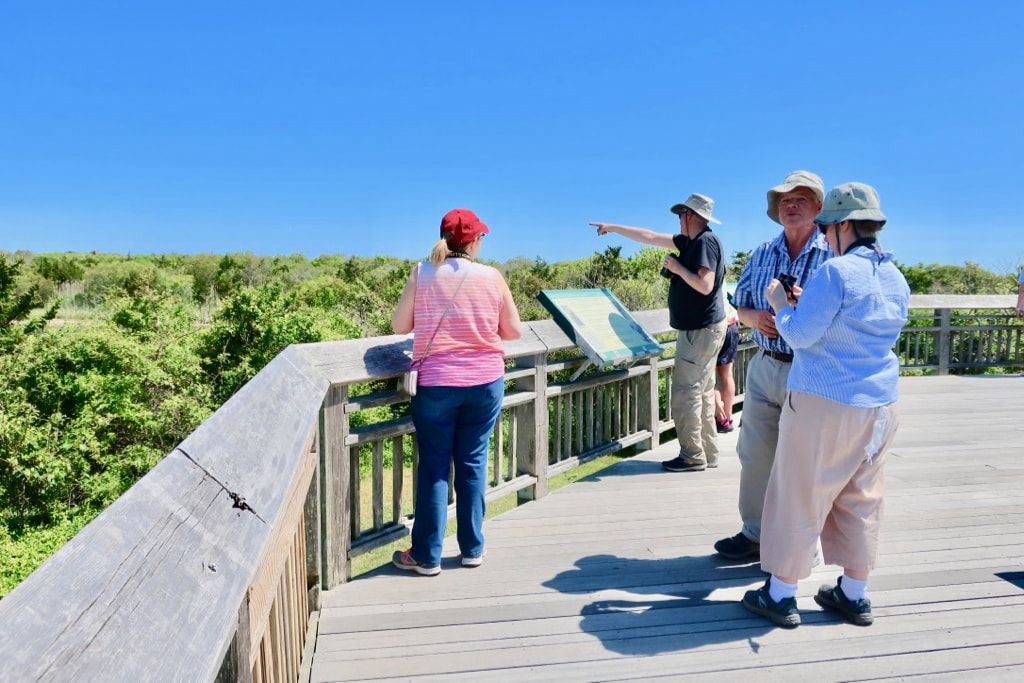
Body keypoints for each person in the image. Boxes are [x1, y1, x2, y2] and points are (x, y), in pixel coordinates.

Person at [741, 182, 910, 628]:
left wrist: (780, 304)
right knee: (862, 497)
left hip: (824, 400)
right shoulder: (895, 277)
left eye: (829, 226)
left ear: (846, 225)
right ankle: (854, 593)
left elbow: (798, 334)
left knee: (797, 493)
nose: (826, 234)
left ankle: (780, 594)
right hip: (879, 404)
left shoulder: (835, 272)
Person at [390, 208, 522, 576]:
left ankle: (427, 556)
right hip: (484, 383)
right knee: (472, 463)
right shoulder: (491, 276)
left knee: (434, 467)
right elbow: (512, 331)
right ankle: (472, 548)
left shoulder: (422, 272)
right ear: (475, 240)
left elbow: (400, 325)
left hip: (435, 383)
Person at [714, 171, 832, 560]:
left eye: (800, 199)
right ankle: (755, 533)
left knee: (804, 459)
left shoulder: (834, 254)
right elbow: (739, 301)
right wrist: (753, 318)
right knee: (756, 452)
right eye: (784, 201)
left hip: (811, 368)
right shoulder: (763, 252)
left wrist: (803, 307)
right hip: (765, 364)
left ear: (819, 207)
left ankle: (801, 542)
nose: (791, 206)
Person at [591, 193, 727, 472]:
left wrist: (677, 268)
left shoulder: (704, 242)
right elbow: (650, 237)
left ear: (690, 215)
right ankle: (708, 453)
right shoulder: (690, 241)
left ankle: (692, 456)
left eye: (680, 215)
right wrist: (614, 227)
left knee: (685, 393)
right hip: (702, 329)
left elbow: (705, 285)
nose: (678, 220)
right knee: (701, 393)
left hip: (700, 329)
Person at [715, 290, 739, 433]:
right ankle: (728, 417)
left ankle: (720, 416)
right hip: (731, 323)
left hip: (714, 326)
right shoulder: (718, 270)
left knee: (707, 376)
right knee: (727, 376)